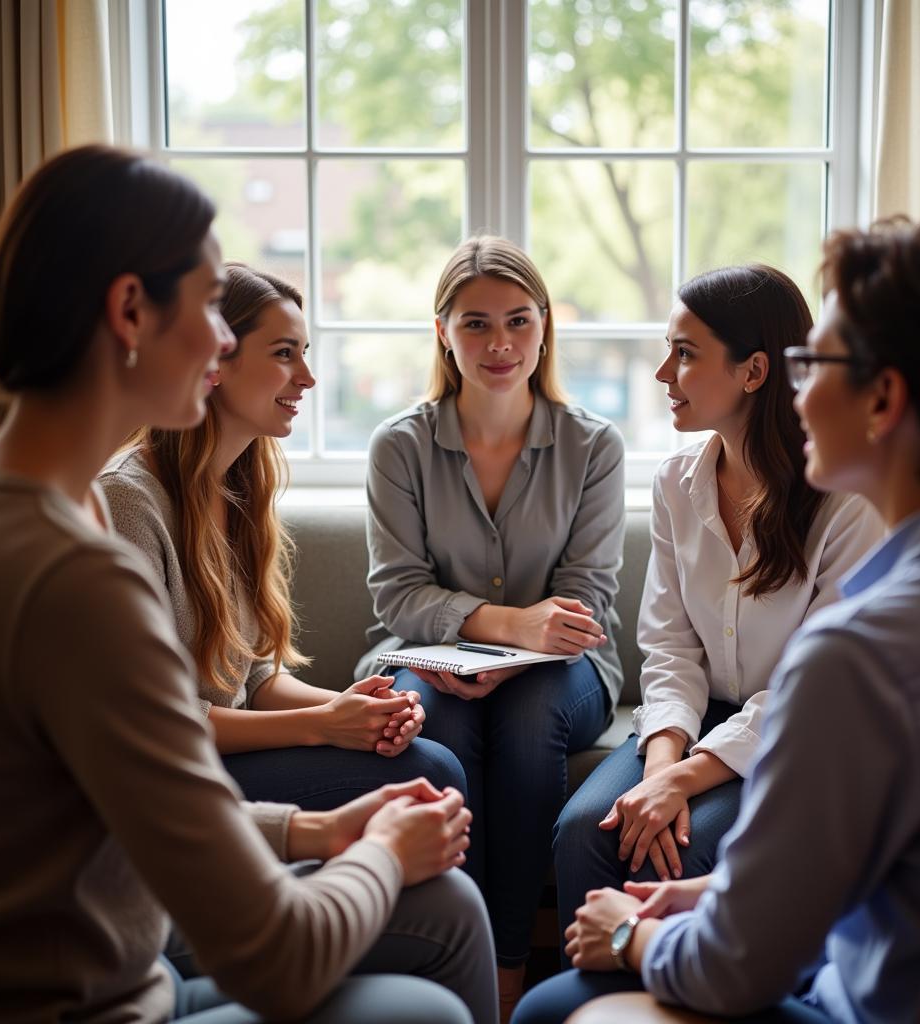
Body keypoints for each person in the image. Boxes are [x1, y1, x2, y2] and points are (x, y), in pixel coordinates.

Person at [0, 144, 496, 1024]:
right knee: (438, 1005)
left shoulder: (55, 522)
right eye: (207, 306)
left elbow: (125, 815)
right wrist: (377, 847)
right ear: (130, 312)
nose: (220, 340)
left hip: (134, 944)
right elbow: (277, 960)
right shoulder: (80, 571)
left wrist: (321, 832)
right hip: (109, 995)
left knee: (448, 906)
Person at [514, 216, 920, 1023]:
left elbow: (737, 970)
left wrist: (627, 935)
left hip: (850, 999)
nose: (799, 386)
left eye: (815, 361)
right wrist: (712, 884)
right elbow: (902, 859)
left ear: (883, 399)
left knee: (550, 1009)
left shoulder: (859, 658)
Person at [553, 264, 883, 944]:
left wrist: (685, 782)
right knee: (589, 826)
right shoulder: (677, 482)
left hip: (797, 733)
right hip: (697, 716)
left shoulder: (845, 500)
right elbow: (670, 647)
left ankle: (670, 984)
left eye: (684, 354)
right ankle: (597, 1007)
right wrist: (660, 771)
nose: (661, 375)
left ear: (753, 370)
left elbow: (809, 690)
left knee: (683, 844)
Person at [356, 235, 625, 1017]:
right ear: (442, 331)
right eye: (475, 324)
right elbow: (398, 594)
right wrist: (504, 629)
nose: (500, 344)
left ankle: (505, 973)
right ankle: (454, 965)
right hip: (426, 658)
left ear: (545, 326)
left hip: (564, 672)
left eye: (517, 320)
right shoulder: (400, 446)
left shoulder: (593, 445)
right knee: (432, 718)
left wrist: (524, 648)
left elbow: (588, 600)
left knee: (531, 709)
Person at [100, 262, 466, 812]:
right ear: (215, 358)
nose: (308, 378)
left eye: (305, 352)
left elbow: (251, 680)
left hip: (223, 752)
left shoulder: (238, 489)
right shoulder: (127, 502)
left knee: (428, 751)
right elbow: (148, 720)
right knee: (433, 771)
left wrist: (357, 708)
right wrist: (321, 725)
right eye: (283, 353)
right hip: (165, 774)